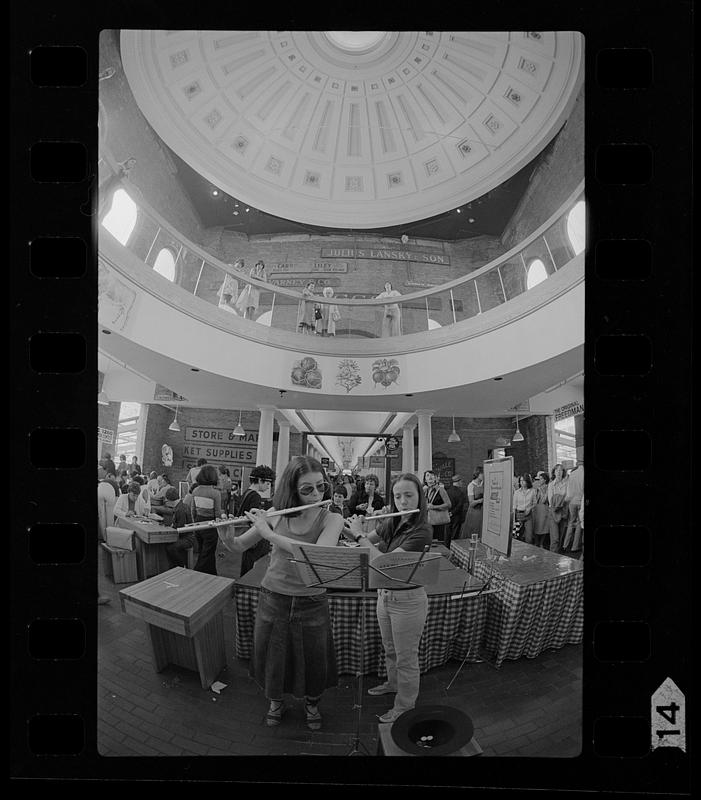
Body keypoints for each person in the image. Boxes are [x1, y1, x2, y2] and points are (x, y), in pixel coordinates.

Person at [228, 455, 343, 730]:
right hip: (274, 596)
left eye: (321, 486)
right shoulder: (276, 514)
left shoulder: (332, 518)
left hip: (311, 599)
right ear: (292, 489)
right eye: (307, 489)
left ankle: (312, 703)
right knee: (273, 656)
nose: (316, 494)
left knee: (314, 658)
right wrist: (226, 535)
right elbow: (238, 546)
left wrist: (269, 535)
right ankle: (275, 702)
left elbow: (317, 554)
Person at [345, 472, 433, 723]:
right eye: (398, 496)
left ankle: (404, 706)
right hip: (384, 596)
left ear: (419, 497)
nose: (403, 501)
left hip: (408, 601)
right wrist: (346, 525)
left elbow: (385, 563)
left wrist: (360, 535)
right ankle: (393, 684)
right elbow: (364, 540)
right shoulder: (393, 522)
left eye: (409, 495)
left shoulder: (422, 530)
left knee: (406, 658)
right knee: (391, 649)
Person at [183, 465, 222, 575]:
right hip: (211, 524)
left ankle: (212, 573)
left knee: (203, 551)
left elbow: (193, 510)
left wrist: (195, 523)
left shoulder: (195, 490)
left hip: (198, 522)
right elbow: (217, 513)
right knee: (208, 552)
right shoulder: (215, 493)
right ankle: (197, 573)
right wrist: (219, 528)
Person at [238, 465, 276, 577]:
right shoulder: (255, 497)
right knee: (251, 568)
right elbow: (254, 520)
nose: (268, 487)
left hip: (244, 533)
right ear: (260, 480)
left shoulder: (246, 492)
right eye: (267, 483)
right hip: (252, 538)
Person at [164, 487, 197, 568]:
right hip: (186, 536)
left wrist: (169, 530)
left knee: (170, 547)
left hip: (187, 538)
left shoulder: (180, 510)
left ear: (170, 501)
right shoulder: (181, 506)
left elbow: (181, 529)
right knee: (168, 545)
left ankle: (180, 566)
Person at [562, 461, 584, 553]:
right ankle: (574, 547)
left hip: (572, 502)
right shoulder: (583, 474)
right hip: (581, 501)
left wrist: (567, 501)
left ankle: (565, 545)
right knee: (579, 523)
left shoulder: (572, 474)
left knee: (571, 522)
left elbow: (569, 491)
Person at [423, 470, 451, 542]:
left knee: (438, 542)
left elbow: (448, 504)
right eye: (427, 475)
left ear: (435, 478)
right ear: (425, 480)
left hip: (439, 521)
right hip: (429, 521)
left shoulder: (440, 490)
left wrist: (434, 507)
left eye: (432, 475)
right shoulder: (426, 491)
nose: (430, 477)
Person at [547, 463, 569, 552]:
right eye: (557, 470)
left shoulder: (567, 484)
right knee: (555, 538)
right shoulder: (551, 485)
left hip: (563, 512)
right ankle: (552, 556)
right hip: (553, 512)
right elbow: (551, 500)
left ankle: (557, 556)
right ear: (554, 472)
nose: (559, 472)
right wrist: (561, 500)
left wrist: (558, 499)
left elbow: (568, 497)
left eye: (561, 470)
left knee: (561, 537)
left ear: (563, 472)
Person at [459, 467, 484, 541]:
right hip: (475, 512)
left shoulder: (484, 484)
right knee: (474, 531)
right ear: (477, 474)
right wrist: (481, 500)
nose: (484, 475)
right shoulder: (471, 485)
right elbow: (471, 503)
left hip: (483, 511)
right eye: (482, 474)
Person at [513, 474, 536, 543]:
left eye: (523, 480)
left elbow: (535, 503)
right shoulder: (517, 492)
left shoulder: (532, 491)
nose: (522, 482)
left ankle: (528, 549)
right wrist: (514, 519)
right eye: (520, 481)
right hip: (519, 515)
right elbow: (514, 506)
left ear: (527, 481)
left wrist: (530, 508)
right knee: (517, 536)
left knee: (529, 537)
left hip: (528, 515)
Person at [445, 475, 466, 547]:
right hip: (457, 516)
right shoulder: (460, 492)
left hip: (447, 515)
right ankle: (453, 549)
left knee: (447, 534)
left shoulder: (447, 491)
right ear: (458, 481)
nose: (462, 483)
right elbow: (460, 505)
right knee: (455, 535)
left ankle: (446, 548)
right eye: (461, 481)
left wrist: (449, 512)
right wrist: (453, 512)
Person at [531, 471, 550, 549]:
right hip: (536, 508)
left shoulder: (548, 487)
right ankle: (536, 542)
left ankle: (541, 543)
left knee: (544, 526)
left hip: (544, 508)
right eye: (539, 479)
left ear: (545, 480)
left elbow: (544, 500)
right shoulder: (536, 487)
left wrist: (541, 490)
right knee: (536, 526)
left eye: (541, 479)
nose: (539, 480)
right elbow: (534, 499)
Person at [97, 465, 118, 538]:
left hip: (100, 492)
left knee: (102, 515)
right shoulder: (115, 484)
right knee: (110, 517)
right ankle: (109, 537)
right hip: (110, 494)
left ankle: (102, 536)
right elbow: (117, 497)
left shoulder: (102, 481)